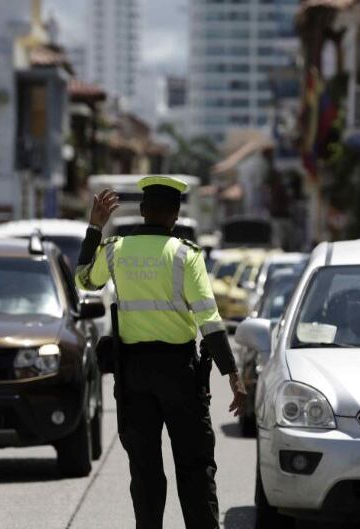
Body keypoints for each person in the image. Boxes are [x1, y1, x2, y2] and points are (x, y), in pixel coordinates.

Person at [75, 176, 247, 529]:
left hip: (133, 375)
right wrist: (233, 374)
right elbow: (210, 321)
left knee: (145, 471)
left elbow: (83, 279)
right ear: (176, 214)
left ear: (141, 210)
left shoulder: (114, 249)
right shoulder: (186, 255)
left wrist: (95, 226)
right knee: (195, 467)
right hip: (179, 375)